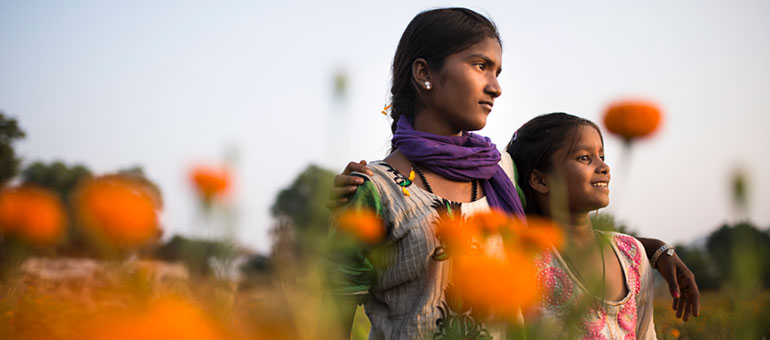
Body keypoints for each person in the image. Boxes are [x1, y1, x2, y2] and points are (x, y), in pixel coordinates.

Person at [321, 8, 526, 339]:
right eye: (480, 66)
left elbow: (567, 239)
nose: (496, 87)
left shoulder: (502, 171)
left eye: (498, 71)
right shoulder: (374, 189)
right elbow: (331, 321)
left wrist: (636, 251)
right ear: (423, 73)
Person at [507, 112, 655, 339]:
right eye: (584, 158)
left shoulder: (631, 253)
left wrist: (661, 251)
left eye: (602, 155)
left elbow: (646, 334)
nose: (604, 167)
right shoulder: (523, 257)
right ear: (540, 180)